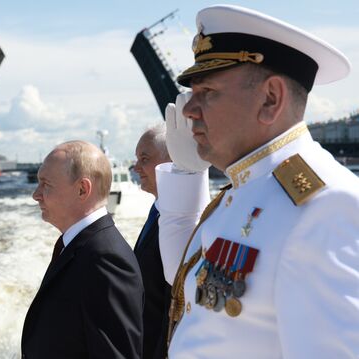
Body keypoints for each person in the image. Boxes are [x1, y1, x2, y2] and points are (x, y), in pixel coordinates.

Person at [156, 4, 359, 358]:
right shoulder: (244, 190)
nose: (189, 109)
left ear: (270, 99)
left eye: (208, 92)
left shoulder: (323, 207)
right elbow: (188, 287)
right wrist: (186, 174)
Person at [21, 140, 144, 359]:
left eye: (45, 184)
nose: (36, 194)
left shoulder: (105, 259)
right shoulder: (81, 246)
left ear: (82, 189)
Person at [132, 124, 175, 359]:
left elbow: (172, 309)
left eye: (144, 158)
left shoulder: (182, 222)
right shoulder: (159, 210)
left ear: (172, 159)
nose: (136, 167)